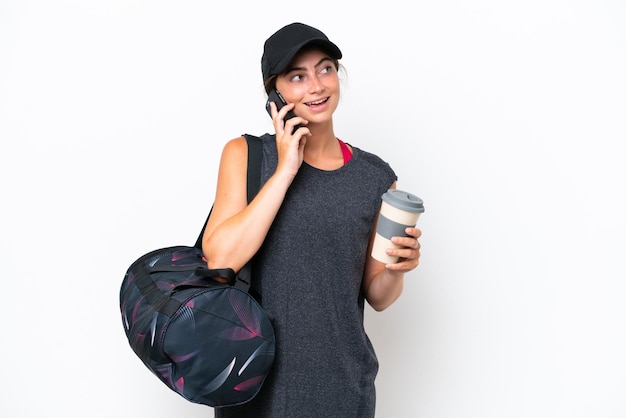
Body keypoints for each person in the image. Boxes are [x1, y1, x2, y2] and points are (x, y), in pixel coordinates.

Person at [203, 22, 422, 418]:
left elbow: (378, 296)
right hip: (255, 390)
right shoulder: (246, 156)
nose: (317, 86)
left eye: (325, 69)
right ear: (275, 93)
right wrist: (287, 168)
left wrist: (397, 270)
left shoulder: (374, 177)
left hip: (343, 389)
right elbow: (220, 259)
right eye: (297, 76)